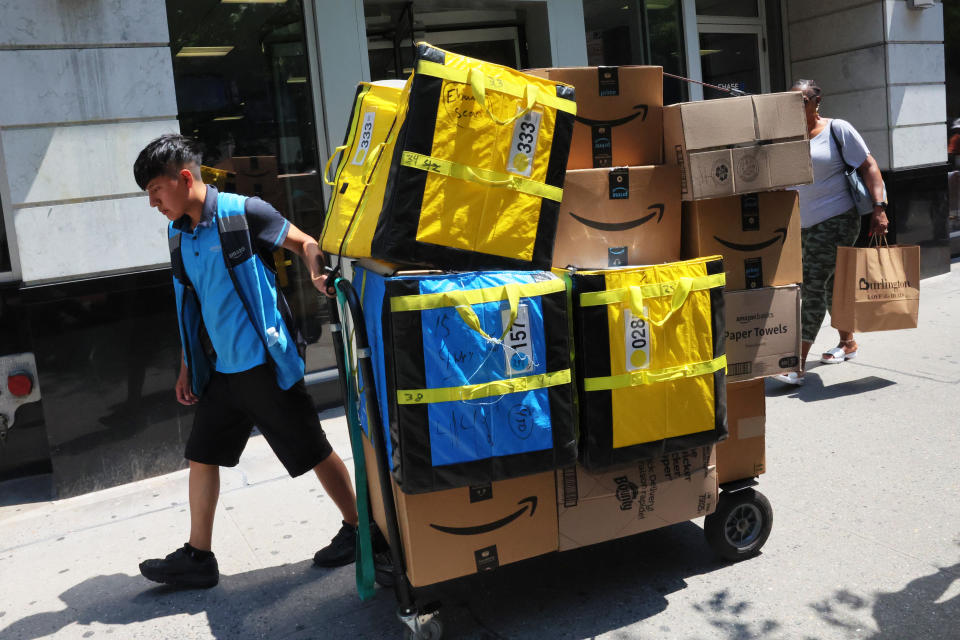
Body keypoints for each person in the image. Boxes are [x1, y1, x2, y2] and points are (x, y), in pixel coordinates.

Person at [133, 134, 358, 588]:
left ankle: (362, 529)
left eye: (156, 191)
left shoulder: (243, 212)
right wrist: (186, 366)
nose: (154, 203)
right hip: (222, 373)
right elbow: (190, 304)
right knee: (202, 454)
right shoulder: (179, 234)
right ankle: (198, 556)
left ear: (182, 178)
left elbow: (304, 242)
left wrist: (316, 270)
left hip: (264, 364)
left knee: (312, 448)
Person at [774, 79, 888, 386]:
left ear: (816, 101)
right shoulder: (787, 138)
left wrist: (879, 207)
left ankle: (795, 364)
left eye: (802, 102)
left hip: (837, 219)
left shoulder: (838, 130)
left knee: (811, 284)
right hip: (804, 223)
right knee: (831, 284)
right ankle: (848, 342)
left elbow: (869, 166)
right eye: (790, 103)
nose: (796, 108)